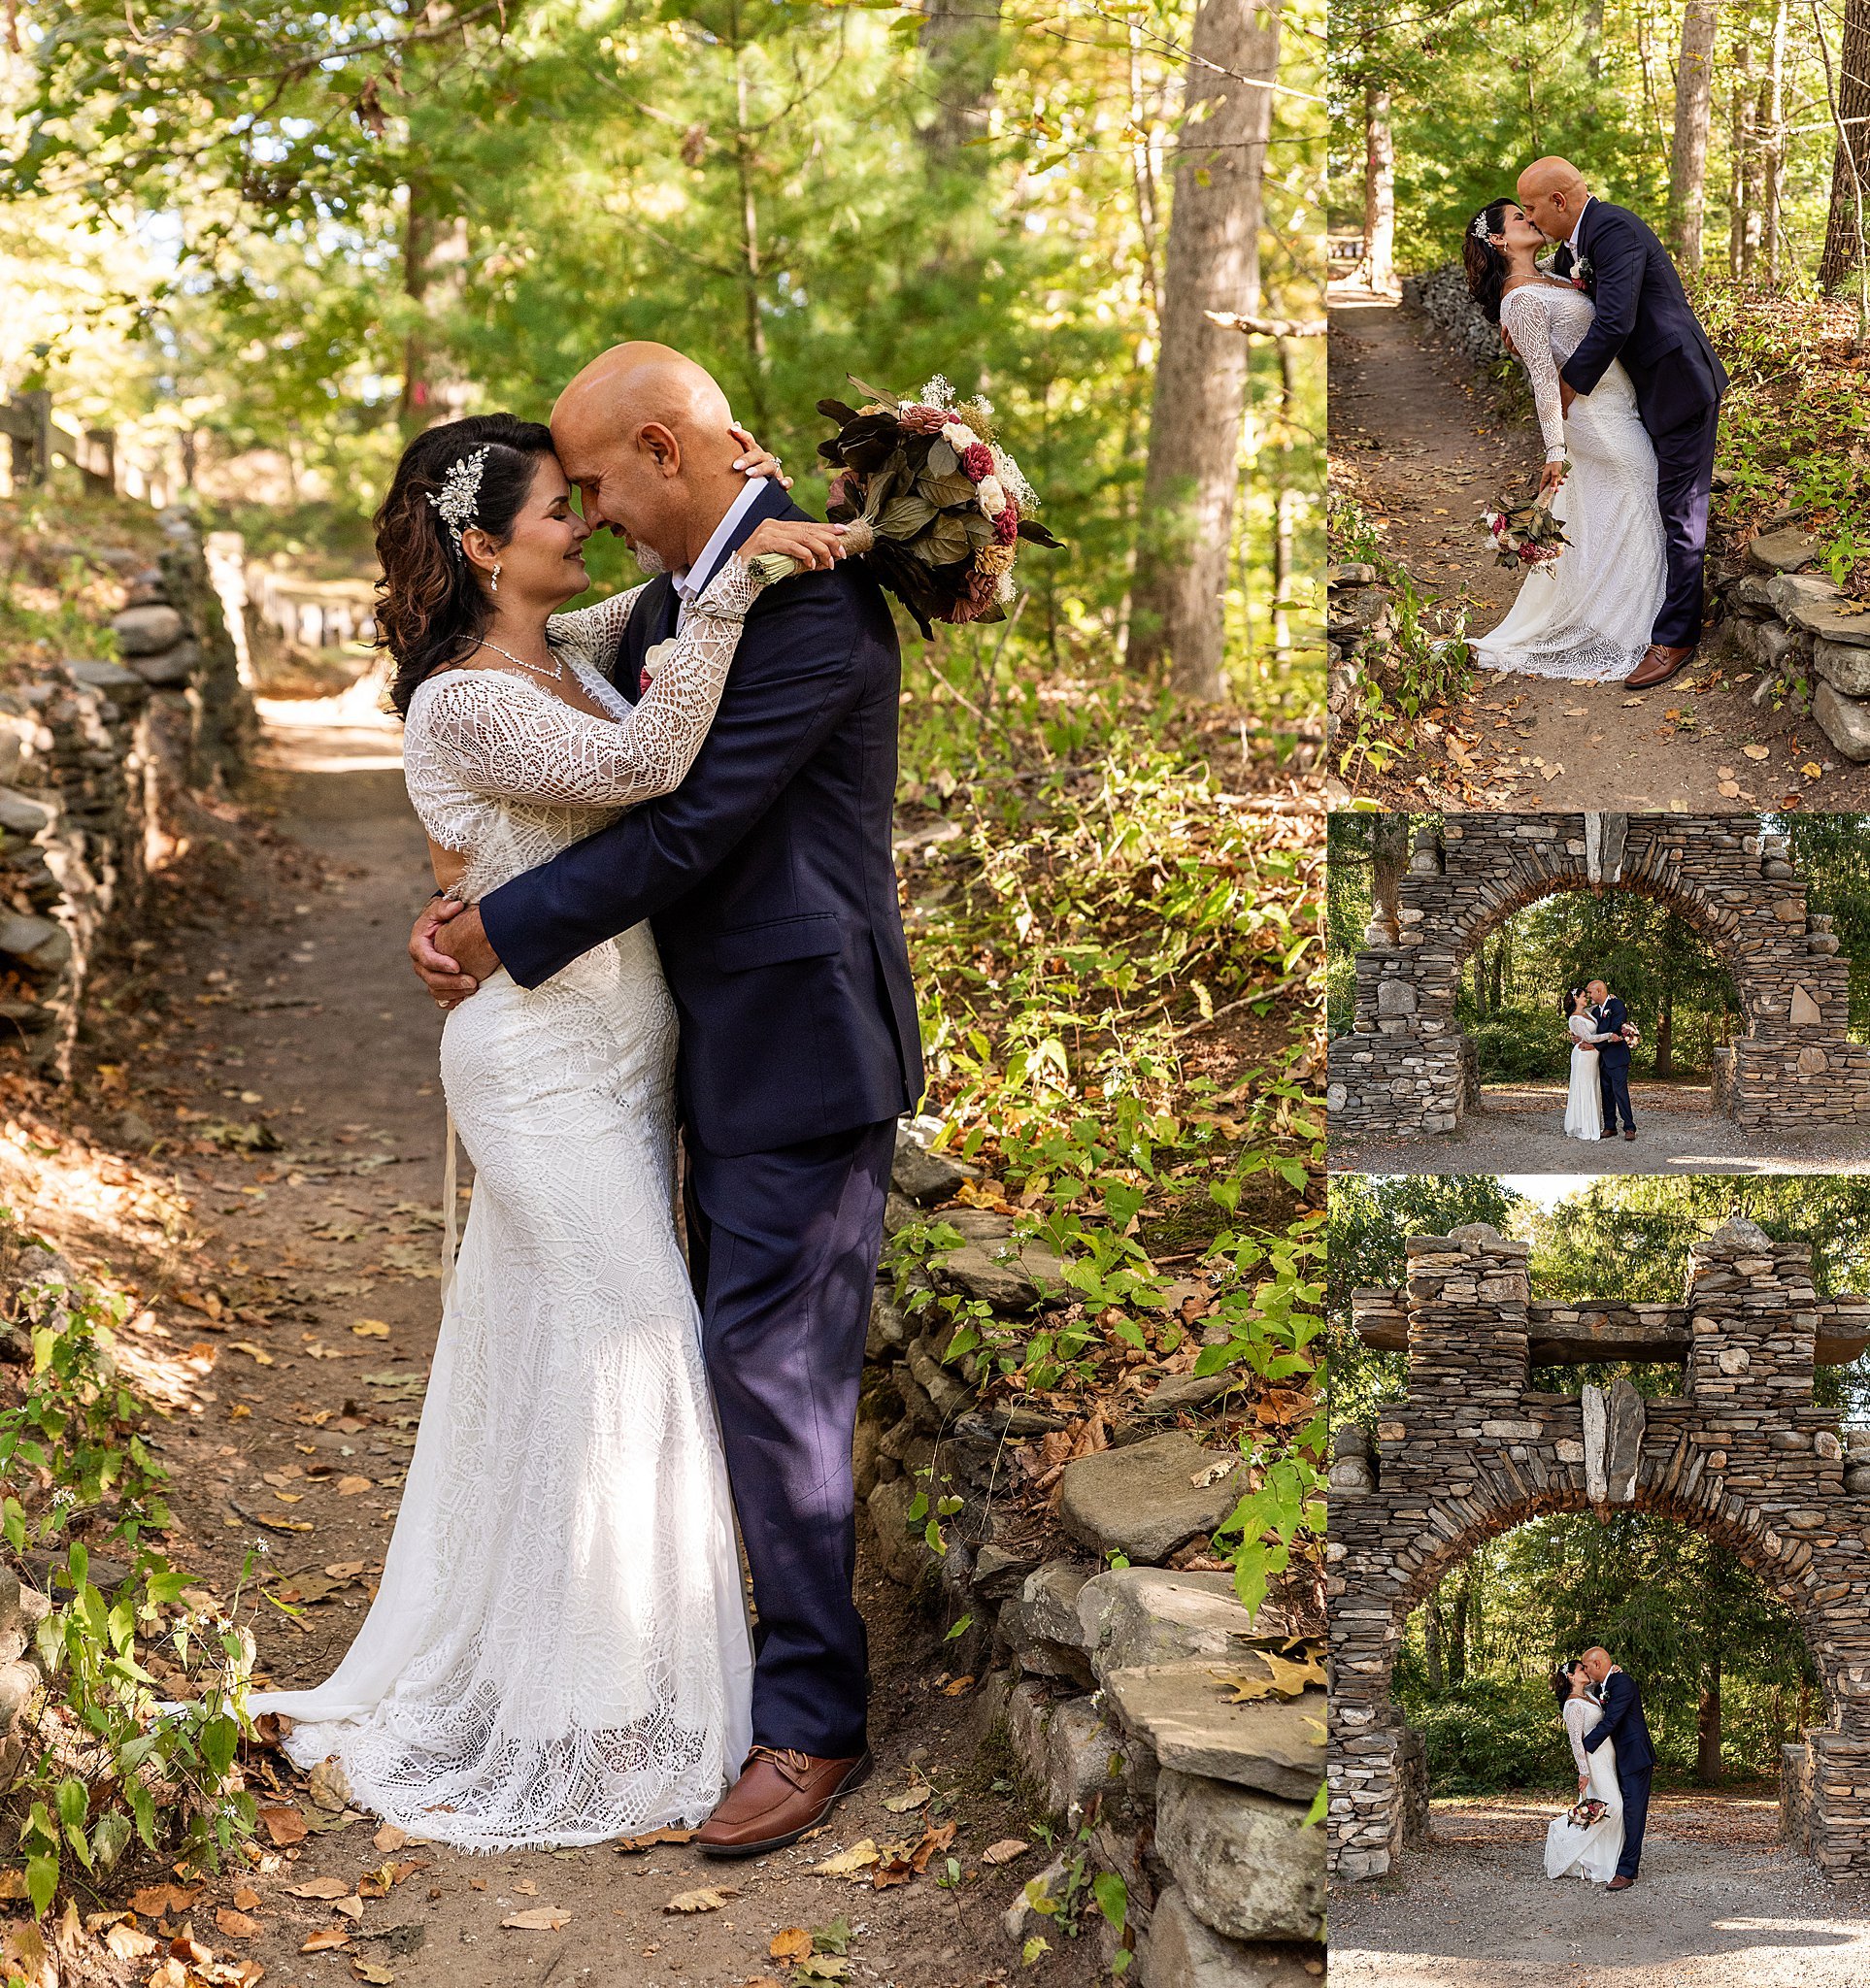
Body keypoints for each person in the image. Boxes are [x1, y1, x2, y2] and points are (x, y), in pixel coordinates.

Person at [247, 400, 850, 1851]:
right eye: (552, 511)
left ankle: (577, 1669)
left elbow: (667, 591)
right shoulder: (463, 697)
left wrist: (748, 512)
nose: (581, 523)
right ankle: (599, 1712)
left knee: (558, 1354)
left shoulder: (553, 651)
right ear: (479, 544)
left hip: (622, 1064)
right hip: (534, 1066)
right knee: (629, 1339)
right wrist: (746, 580)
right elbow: (645, 766)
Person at [407, 343, 926, 1858]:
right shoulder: (706, 592)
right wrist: (463, 892)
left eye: (600, 488)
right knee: (728, 1366)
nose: (598, 518)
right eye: (563, 501)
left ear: (656, 446)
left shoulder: (807, 598)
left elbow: (690, 823)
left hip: (800, 1039)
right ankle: (670, 1671)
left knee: (768, 1378)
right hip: (694, 1047)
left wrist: (504, 928)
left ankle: (814, 1722)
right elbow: (544, 748)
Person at [1580, 1644, 1656, 1888]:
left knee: (1634, 1815)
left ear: (1599, 1664)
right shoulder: (1607, 1684)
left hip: (1635, 1758)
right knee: (1621, 1810)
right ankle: (1615, 1860)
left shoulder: (1622, 1684)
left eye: (1587, 1666)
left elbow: (1611, 1720)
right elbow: (1592, 1691)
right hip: (1618, 1760)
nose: (1585, 1671)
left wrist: (1584, 1746)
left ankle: (1626, 1872)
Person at [1544, 1659, 1625, 1883]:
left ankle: (1601, 1861)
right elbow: (1576, 1742)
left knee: (1610, 1810)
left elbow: (1602, 1682)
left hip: (1609, 1757)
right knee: (1611, 1807)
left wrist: (1613, 1671)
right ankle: (1562, 1830)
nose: (1586, 1671)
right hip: (1594, 1761)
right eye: (1582, 1669)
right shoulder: (1572, 1705)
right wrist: (1584, 1772)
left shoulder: (1588, 1694)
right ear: (1571, 1675)